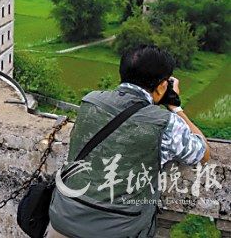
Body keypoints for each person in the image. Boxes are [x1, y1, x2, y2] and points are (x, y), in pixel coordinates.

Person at [47, 45, 210, 238]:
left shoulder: (90, 102)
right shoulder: (164, 123)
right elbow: (203, 153)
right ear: (162, 86)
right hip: (119, 229)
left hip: (63, 219)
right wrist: (175, 108)